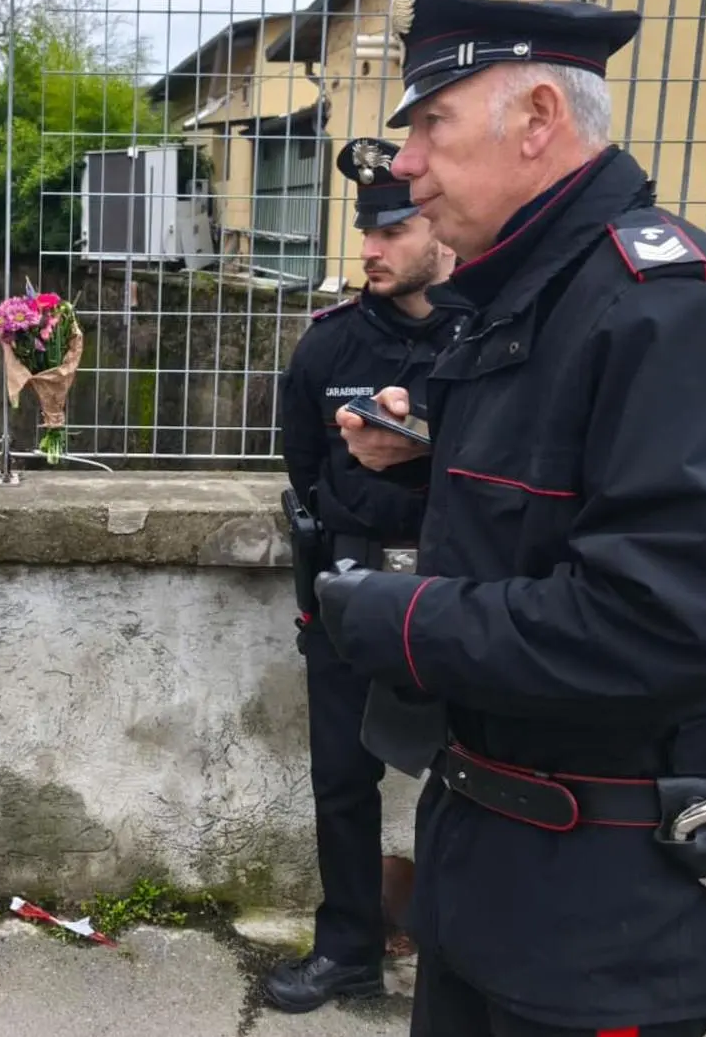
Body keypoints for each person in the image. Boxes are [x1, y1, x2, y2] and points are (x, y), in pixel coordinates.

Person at [315, 0, 706, 1037]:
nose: (402, 165)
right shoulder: (530, 296)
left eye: (430, 125)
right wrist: (426, 463)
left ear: (538, 118)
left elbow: (666, 619)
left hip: (608, 912)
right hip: (500, 876)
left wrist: (394, 620)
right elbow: (562, 508)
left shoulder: (662, 314)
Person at [269, 140, 457, 1014]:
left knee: (471, 776)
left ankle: (462, 949)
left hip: (459, 596)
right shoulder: (328, 345)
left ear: (443, 231)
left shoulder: (486, 339)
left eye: (395, 227)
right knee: (342, 778)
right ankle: (348, 947)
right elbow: (303, 470)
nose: (372, 247)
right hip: (349, 590)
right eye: (366, 230)